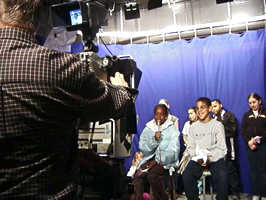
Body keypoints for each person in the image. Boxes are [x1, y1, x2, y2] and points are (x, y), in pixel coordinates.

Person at [0, 1, 137, 199]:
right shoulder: (61, 69)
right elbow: (116, 103)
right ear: (42, 17)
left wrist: (68, 154)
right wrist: (123, 88)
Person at [182, 97, 228, 200]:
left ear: (210, 108)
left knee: (223, 176)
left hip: (214, 158)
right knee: (187, 174)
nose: (200, 111)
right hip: (198, 159)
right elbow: (190, 147)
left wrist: (209, 158)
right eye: (197, 108)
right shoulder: (193, 127)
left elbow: (222, 148)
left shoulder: (218, 125)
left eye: (203, 107)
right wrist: (199, 157)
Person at [132, 104, 180, 200]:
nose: (159, 117)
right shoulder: (148, 128)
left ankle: (163, 197)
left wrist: (157, 160)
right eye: (156, 114)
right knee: (138, 176)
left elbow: (174, 151)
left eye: (162, 114)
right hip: (149, 160)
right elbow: (143, 147)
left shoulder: (172, 129)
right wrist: (154, 139)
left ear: (166, 116)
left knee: (152, 176)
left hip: (165, 161)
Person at [211, 99, 241, 200]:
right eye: (212, 107)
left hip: (229, 147)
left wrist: (220, 131)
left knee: (231, 170)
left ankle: (235, 193)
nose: (213, 109)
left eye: (215, 106)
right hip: (218, 149)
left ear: (221, 105)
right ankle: (224, 193)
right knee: (221, 172)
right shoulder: (213, 118)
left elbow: (233, 130)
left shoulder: (229, 115)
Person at [241, 93, 266, 200]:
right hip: (251, 147)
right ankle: (255, 194)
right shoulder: (247, 115)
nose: (252, 105)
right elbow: (243, 131)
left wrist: (260, 140)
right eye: (250, 103)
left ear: (259, 101)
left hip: (263, 146)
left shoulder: (265, 113)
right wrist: (249, 142)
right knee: (254, 171)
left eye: (254, 102)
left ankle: (264, 194)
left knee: (263, 171)